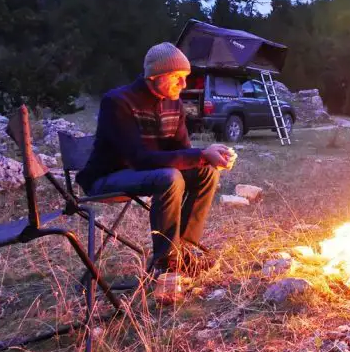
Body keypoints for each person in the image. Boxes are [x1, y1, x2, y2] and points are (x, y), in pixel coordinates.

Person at [77, 42, 236, 280]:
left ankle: (183, 250)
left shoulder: (174, 103)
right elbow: (138, 160)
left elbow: (182, 152)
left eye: (185, 77)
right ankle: (167, 263)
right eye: (176, 77)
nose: (183, 84)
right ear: (154, 75)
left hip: (147, 174)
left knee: (207, 172)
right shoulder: (118, 102)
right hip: (108, 177)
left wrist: (210, 158)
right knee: (169, 177)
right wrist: (201, 155)